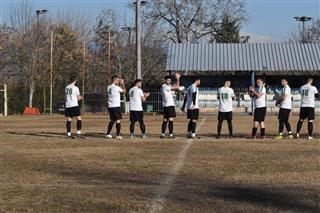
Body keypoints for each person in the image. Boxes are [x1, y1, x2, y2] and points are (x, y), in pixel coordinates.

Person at [160, 73, 183, 139]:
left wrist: (177, 82)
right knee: (170, 119)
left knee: (165, 119)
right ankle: (170, 134)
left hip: (166, 105)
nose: (169, 82)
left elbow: (175, 86)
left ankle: (163, 134)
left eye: (170, 80)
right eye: (168, 80)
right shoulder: (164, 86)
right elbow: (176, 87)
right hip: (169, 105)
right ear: (165, 81)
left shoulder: (166, 86)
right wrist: (178, 79)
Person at [106, 75, 126, 140]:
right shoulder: (117, 87)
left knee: (112, 120)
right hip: (116, 106)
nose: (118, 81)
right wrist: (123, 84)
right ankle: (117, 135)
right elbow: (124, 91)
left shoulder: (108, 87)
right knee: (118, 120)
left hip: (110, 105)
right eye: (117, 80)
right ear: (114, 80)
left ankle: (108, 133)